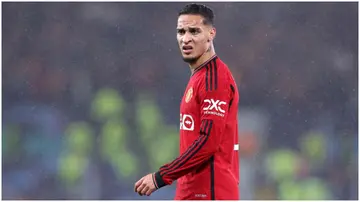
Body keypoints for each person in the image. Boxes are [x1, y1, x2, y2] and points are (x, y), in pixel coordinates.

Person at [134, 3, 240, 200]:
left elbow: (208, 142)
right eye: (181, 31)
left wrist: (160, 177)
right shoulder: (200, 76)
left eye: (194, 31)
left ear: (211, 34)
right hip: (192, 191)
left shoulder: (214, 80)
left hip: (209, 193)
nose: (186, 39)